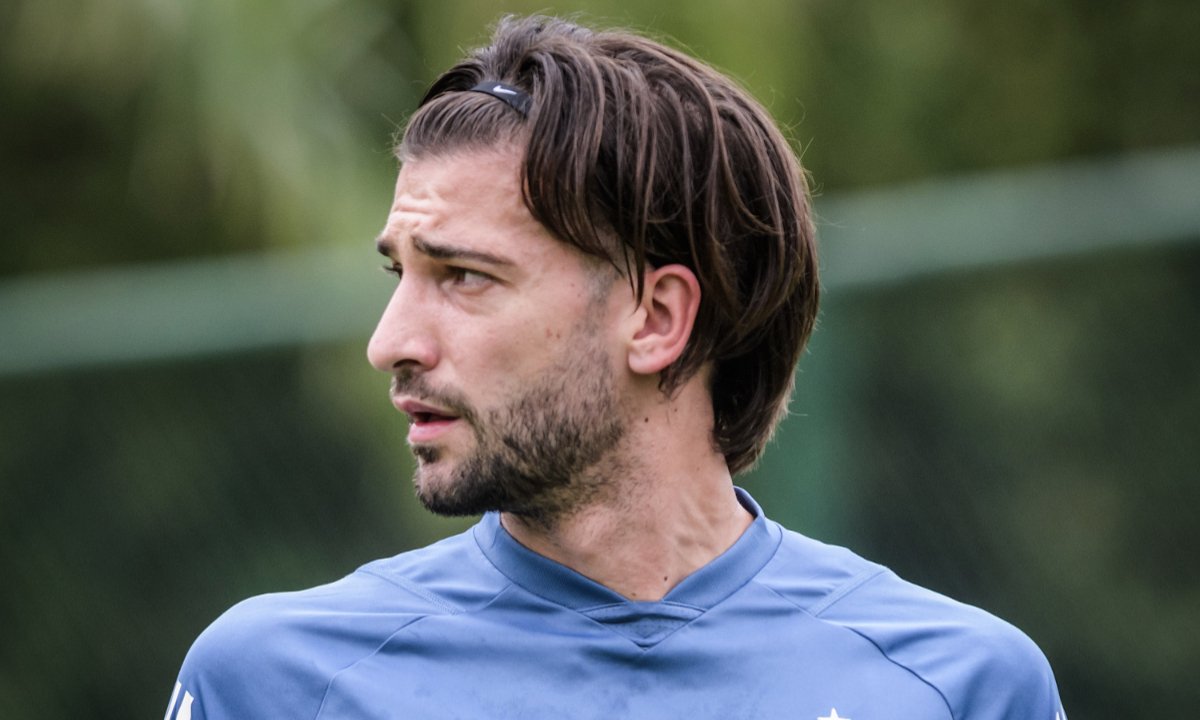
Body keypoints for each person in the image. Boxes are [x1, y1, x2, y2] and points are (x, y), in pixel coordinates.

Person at [165, 15, 1067, 720]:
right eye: (401, 274)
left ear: (658, 317)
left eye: (466, 277)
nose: (391, 341)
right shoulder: (275, 683)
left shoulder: (957, 688)